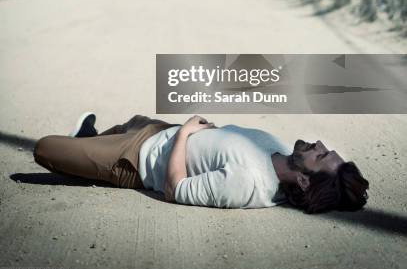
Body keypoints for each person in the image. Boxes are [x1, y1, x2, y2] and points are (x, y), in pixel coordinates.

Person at [33, 112, 369, 214]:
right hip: (157, 130)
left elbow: (175, 189)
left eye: (321, 155)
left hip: (135, 159)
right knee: (130, 120)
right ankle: (87, 141)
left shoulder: (248, 184)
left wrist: (185, 135)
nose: (320, 145)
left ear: (306, 180)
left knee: (45, 149)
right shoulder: (282, 151)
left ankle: (85, 152)